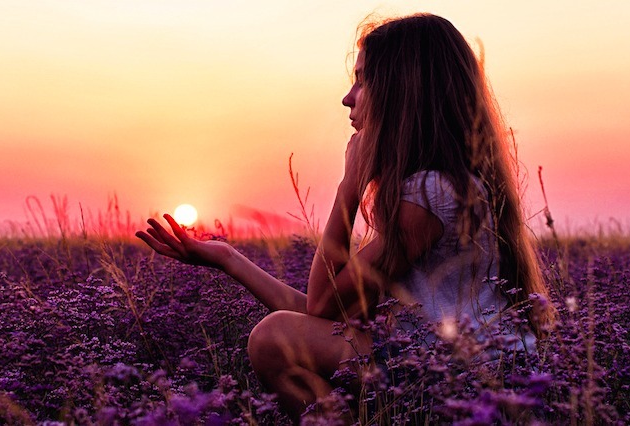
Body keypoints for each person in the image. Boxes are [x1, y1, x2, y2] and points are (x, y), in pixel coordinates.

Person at [135, 13, 556, 420]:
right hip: (465, 371)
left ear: (401, 91)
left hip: (464, 382)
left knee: (272, 338)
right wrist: (228, 258)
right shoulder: (445, 186)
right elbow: (327, 319)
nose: (347, 98)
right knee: (283, 332)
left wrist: (349, 187)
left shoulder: (432, 192)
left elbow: (320, 306)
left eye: (361, 80)